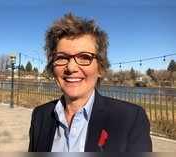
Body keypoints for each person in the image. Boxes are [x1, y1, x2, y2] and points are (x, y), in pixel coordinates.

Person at [28, 13, 152, 152]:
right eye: (62, 58)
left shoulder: (129, 119)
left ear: (100, 68)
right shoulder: (40, 115)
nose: (71, 68)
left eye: (84, 57)